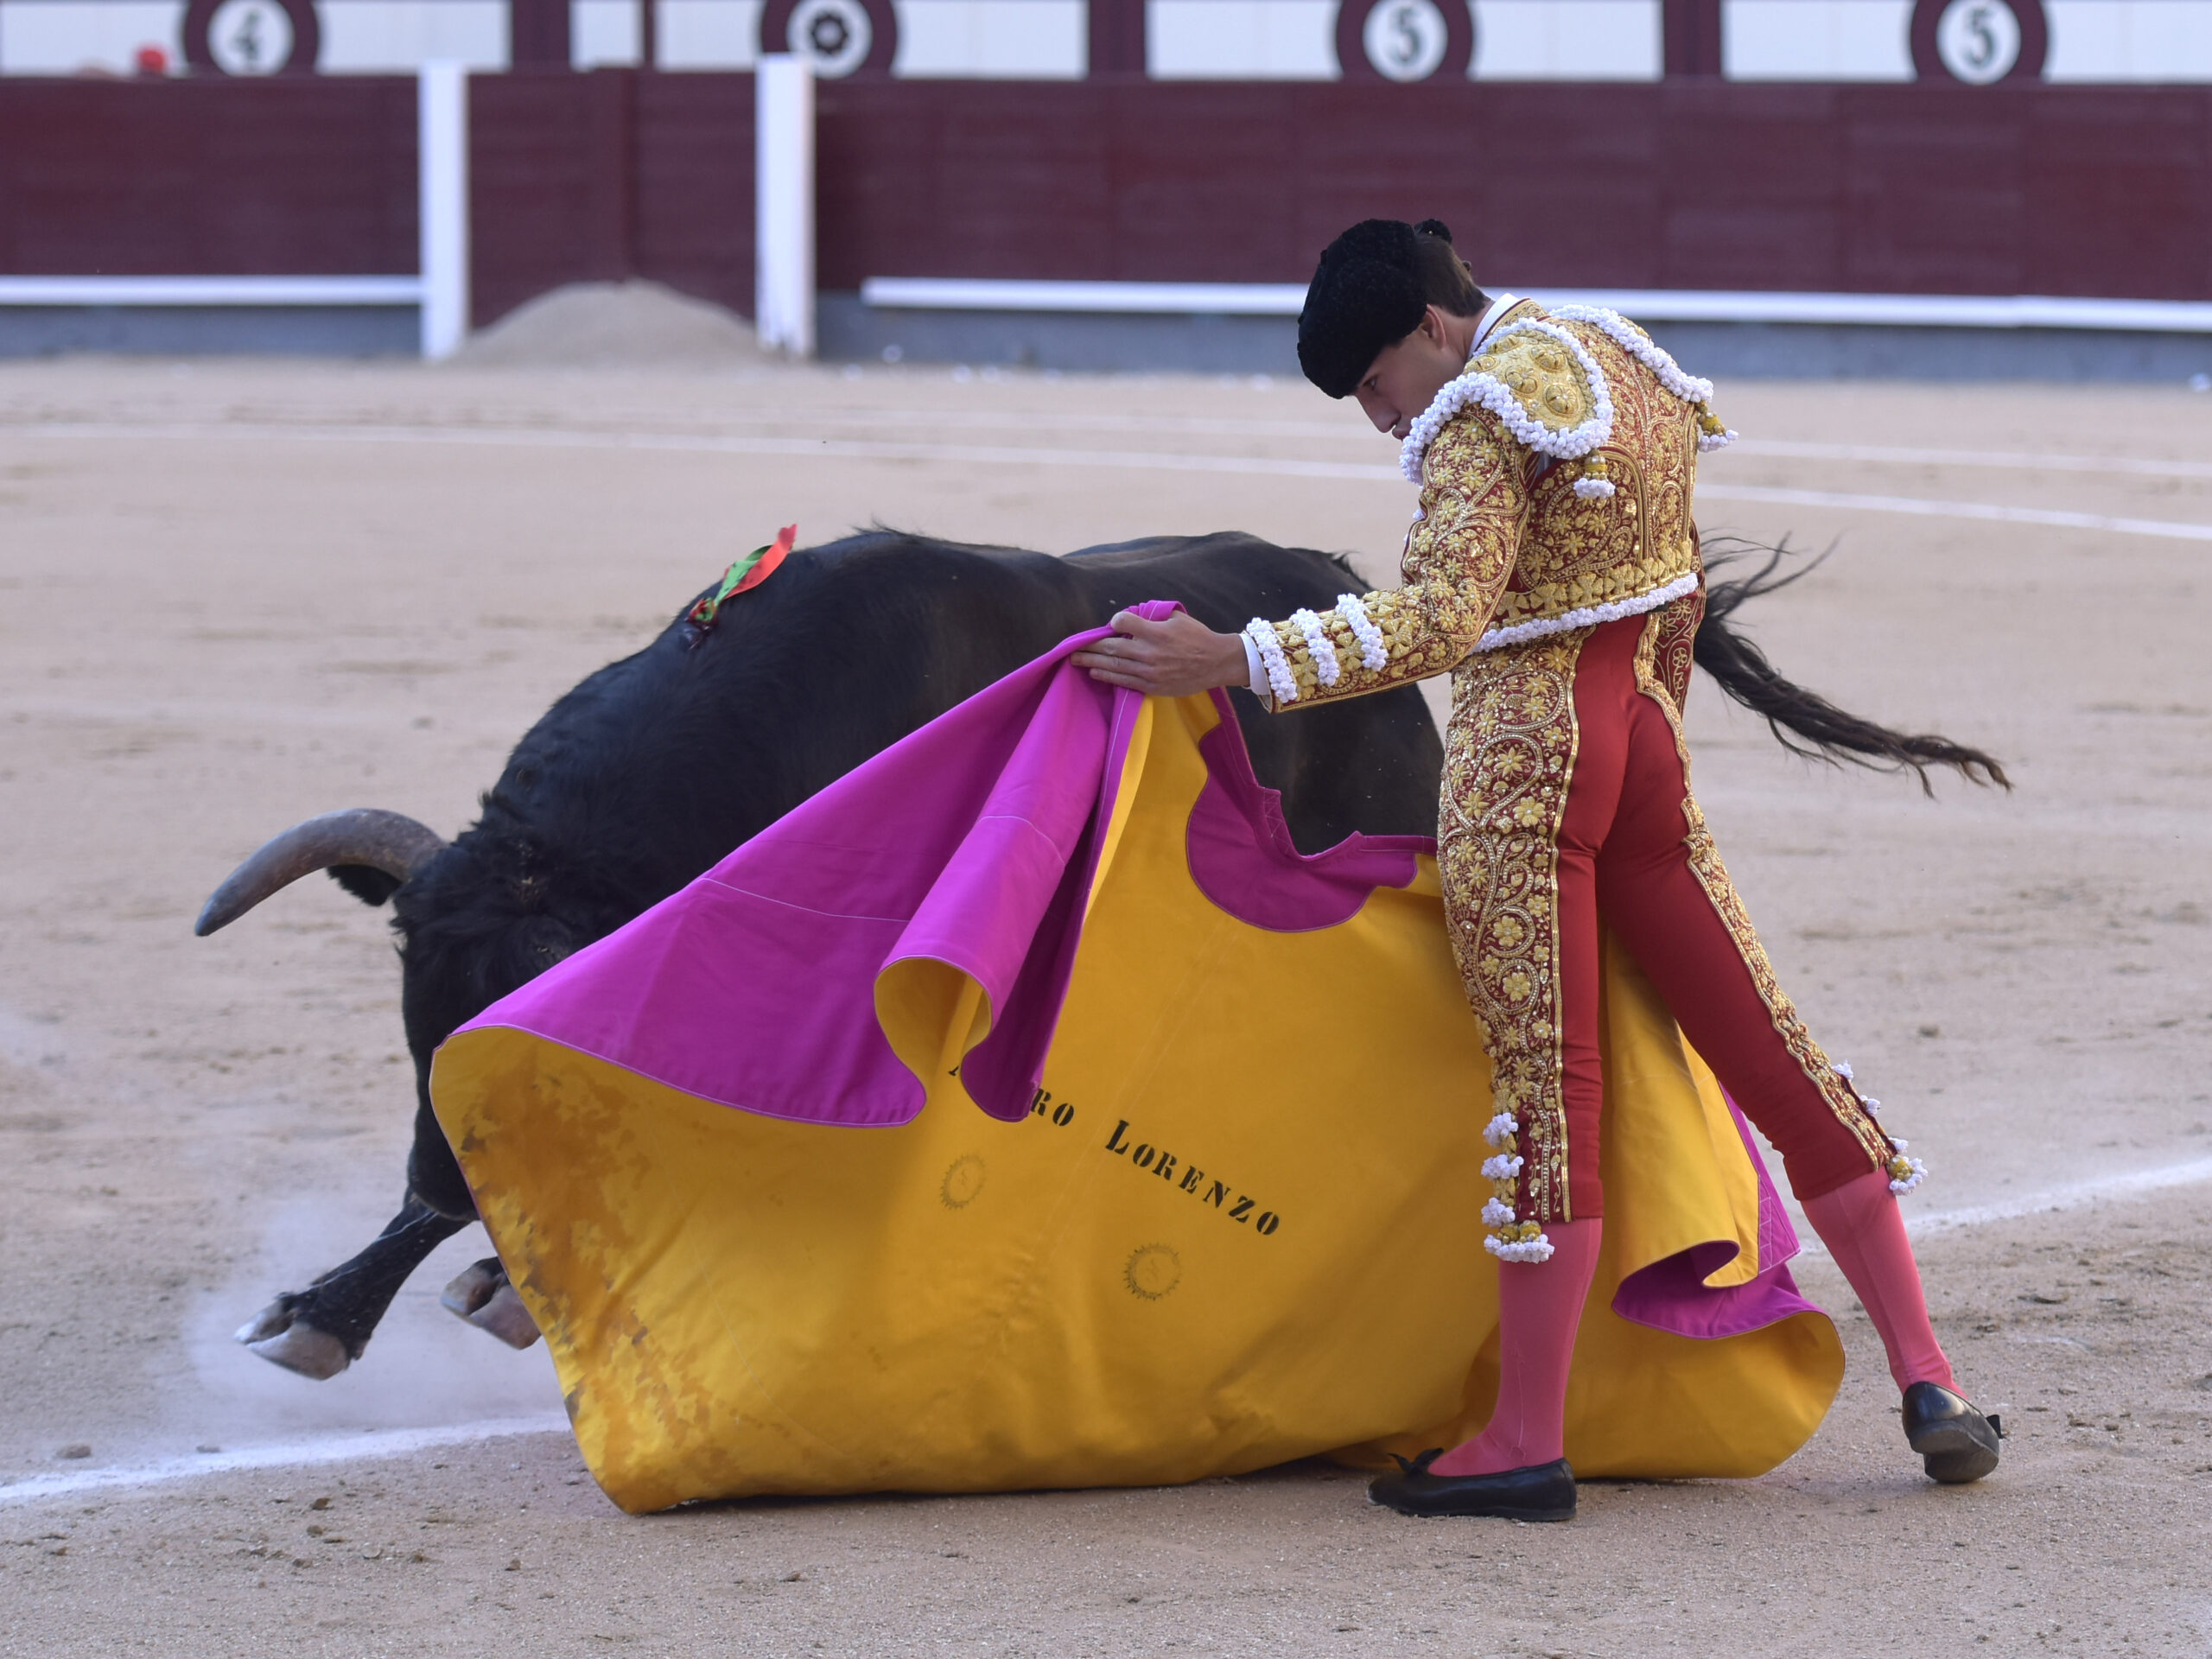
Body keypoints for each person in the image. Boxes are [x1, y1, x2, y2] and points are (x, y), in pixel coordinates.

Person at [1071, 218, 2003, 1522]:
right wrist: (1649, 751)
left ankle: (1520, 1438)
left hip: (1530, 771)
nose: (1383, 422)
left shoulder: (1478, 413)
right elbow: (1673, 590)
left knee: (1549, 1091)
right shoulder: (1619, 360)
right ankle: (1931, 1379)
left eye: (1376, 387)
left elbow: (1443, 622)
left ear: (1428, 332)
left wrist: (1231, 660)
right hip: (1646, 751)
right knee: (1774, 1050)